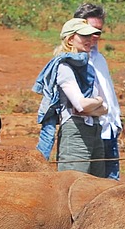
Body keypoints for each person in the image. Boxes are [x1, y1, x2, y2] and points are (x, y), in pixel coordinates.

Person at [33, 18, 108, 175]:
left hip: (94, 129)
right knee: (73, 184)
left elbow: (105, 108)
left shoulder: (89, 67)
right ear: (70, 39)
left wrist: (94, 106)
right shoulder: (64, 66)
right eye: (83, 36)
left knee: (99, 186)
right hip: (75, 132)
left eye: (90, 36)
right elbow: (81, 105)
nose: (89, 40)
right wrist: (98, 103)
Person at [73, 2, 123, 180]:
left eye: (99, 31)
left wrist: (116, 119)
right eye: (91, 30)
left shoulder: (99, 58)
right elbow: (77, 104)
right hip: (89, 132)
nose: (94, 36)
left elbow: (107, 93)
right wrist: (103, 109)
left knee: (111, 183)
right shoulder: (73, 60)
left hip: (109, 130)